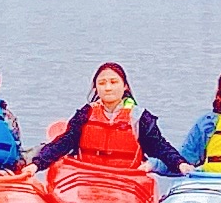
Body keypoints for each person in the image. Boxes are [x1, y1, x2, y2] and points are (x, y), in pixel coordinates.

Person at [33, 62, 187, 174]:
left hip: (127, 179)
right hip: (87, 176)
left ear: (125, 86)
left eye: (114, 82)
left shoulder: (139, 117)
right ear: (96, 88)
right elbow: (62, 143)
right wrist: (36, 164)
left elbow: (160, 148)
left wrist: (180, 164)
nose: (108, 87)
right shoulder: (84, 115)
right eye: (102, 83)